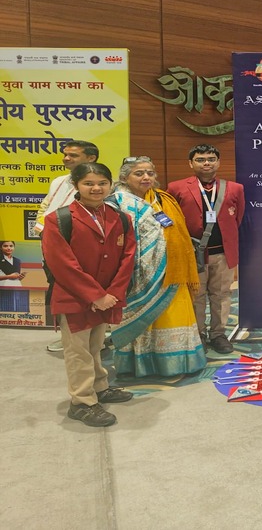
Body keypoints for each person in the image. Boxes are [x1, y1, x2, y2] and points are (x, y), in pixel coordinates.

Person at [41, 163, 136, 427]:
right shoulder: (59, 219)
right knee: (78, 352)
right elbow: (62, 264)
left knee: (96, 346)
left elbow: (128, 257)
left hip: (107, 297)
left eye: (102, 183)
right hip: (75, 298)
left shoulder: (121, 218)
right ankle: (82, 402)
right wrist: (95, 295)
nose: (96, 188)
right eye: (88, 183)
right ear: (76, 185)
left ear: (110, 185)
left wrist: (113, 293)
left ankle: (100, 386)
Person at [109, 157, 207, 376]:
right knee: (143, 321)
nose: (146, 177)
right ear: (125, 177)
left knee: (175, 316)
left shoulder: (163, 199)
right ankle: (142, 364)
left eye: (150, 173)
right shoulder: (117, 202)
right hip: (138, 276)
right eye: (139, 173)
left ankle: (178, 362)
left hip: (172, 272)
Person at [167, 144, 244, 354]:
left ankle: (218, 334)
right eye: (200, 160)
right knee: (196, 295)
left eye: (211, 159)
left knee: (222, 295)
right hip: (193, 254)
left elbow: (237, 218)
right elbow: (172, 219)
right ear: (190, 163)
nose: (206, 163)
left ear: (218, 162)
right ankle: (198, 334)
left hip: (223, 253)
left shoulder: (234, 188)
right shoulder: (176, 188)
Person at [35, 140, 100, 352]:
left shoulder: (98, 183)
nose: (66, 158)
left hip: (80, 249)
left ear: (91, 158)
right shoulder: (59, 181)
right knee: (59, 292)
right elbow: (46, 207)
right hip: (52, 246)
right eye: (65, 154)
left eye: (73, 155)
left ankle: (93, 339)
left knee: (85, 292)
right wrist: (42, 230)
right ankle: (68, 337)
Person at [0, 240, 29, 312]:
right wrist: (9, 276)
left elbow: (15, 276)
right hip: (2, 288)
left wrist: (20, 277)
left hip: (16, 287)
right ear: (1, 247)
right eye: (5, 246)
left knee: (16, 308)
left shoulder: (17, 261)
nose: (9, 248)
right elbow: (11, 276)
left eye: (11, 246)